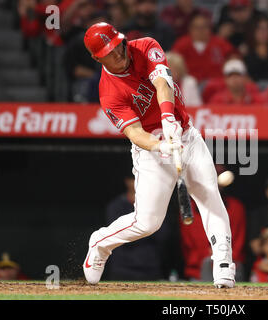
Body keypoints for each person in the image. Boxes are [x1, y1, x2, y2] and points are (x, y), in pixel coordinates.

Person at [82, 22, 236, 288]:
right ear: (98, 58)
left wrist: (168, 116)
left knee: (210, 194)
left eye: (117, 44)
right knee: (148, 222)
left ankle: (223, 265)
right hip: (151, 148)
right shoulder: (109, 93)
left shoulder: (144, 46)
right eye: (109, 51)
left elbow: (162, 83)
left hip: (184, 133)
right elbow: (134, 133)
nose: (118, 52)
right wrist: (159, 145)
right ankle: (100, 242)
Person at [180, 165, 246, 281]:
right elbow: (187, 245)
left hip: (230, 265)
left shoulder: (236, 207)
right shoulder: (188, 208)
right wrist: (209, 254)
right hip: (198, 269)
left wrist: (222, 252)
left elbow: (239, 242)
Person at [105, 176, 169, 280]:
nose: (137, 181)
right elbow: (119, 236)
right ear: (127, 181)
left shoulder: (155, 205)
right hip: (122, 268)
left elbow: (163, 235)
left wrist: (136, 231)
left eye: (141, 177)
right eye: (133, 178)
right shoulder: (116, 206)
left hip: (150, 268)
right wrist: (147, 230)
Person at [172, 13, 237, 83]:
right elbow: (173, 64)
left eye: (204, 27)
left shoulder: (220, 43)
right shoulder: (181, 44)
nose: (200, 31)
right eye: (197, 27)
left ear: (210, 28)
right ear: (190, 29)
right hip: (189, 84)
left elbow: (234, 59)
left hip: (216, 84)